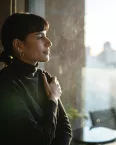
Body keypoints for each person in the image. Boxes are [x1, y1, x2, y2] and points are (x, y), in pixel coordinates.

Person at [0, 13, 72, 145]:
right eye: (40, 37)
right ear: (18, 45)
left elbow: (65, 130)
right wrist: (53, 99)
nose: (49, 43)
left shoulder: (44, 76)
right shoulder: (6, 84)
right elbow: (40, 141)